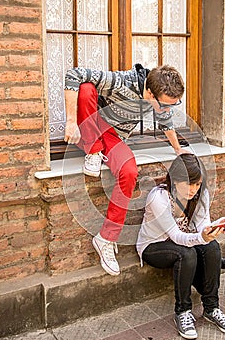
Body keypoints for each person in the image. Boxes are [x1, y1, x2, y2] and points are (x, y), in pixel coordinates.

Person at [64, 63, 187, 277]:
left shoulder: (158, 98)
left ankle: (106, 239)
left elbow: (165, 121)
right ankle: (92, 151)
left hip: (112, 138)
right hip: (88, 127)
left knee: (129, 172)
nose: (167, 110)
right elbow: (73, 75)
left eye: (172, 106)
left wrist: (178, 150)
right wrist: (71, 123)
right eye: (165, 105)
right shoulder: (122, 82)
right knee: (86, 87)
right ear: (149, 93)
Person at [136, 153, 225, 339]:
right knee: (188, 254)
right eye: (189, 184)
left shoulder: (200, 194)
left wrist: (217, 226)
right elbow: (175, 237)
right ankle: (183, 311)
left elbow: (202, 227)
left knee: (212, 247)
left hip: (184, 242)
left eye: (198, 184)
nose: (193, 189)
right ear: (175, 180)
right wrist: (202, 237)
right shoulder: (159, 197)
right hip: (155, 246)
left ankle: (211, 308)